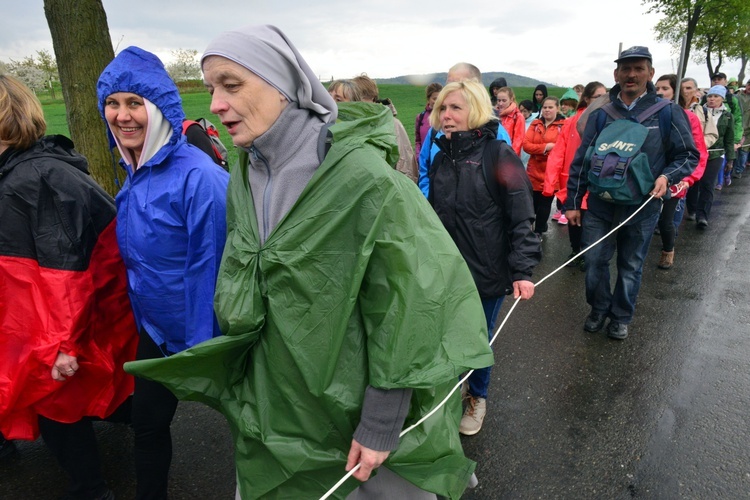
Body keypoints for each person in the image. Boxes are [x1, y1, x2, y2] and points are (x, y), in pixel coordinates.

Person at [125, 25, 495, 499]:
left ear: (284, 86)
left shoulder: (363, 179)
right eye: (212, 87)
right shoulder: (242, 171)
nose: (215, 103)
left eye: (231, 84)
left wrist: (381, 423)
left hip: (355, 417)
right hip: (277, 408)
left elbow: (409, 305)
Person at [96, 46, 230, 499]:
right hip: (155, 327)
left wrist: (201, 353)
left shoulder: (199, 179)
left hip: (207, 334)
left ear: (159, 110)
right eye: (113, 104)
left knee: (249, 424)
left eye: (135, 103)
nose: (122, 115)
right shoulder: (134, 169)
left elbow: (211, 269)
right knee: (148, 424)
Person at [0, 74, 138, 500]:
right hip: (52, 315)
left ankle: (92, 490)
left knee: (57, 402)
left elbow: (66, 272)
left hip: (65, 319)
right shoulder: (28, 169)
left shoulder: (32, 180)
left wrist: (61, 345)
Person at [428, 79, 540, 436]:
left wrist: (522, 269)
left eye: (455, 108)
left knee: (478, 338)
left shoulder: (498, 154)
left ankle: (477, 396)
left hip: (487, 270)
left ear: (474, 110)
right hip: (448, 271)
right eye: (442, 108)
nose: (446, 115)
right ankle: (453, 388)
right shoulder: (440, 156)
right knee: (447, 334)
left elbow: (522, 212)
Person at [565, 46, 698, 340]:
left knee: (631, 264)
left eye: (638, 68)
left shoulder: (668, 113)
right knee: (595, 261)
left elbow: (689, 155)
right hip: (600, 204)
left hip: (642, 206)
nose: (631, 74)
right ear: (616, 74)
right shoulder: (601, 114)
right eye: (625, 69)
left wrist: (667, 176)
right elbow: (582, 159)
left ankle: (621, 315)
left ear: (650, 73)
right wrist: (572, 203)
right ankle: (599, 309)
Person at [417, 62, 511, 198]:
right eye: (448, 84)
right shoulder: (437, 131)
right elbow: (425, 168)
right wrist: (429, 198)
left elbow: (507, 188)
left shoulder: (496, 134)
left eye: (459, 83)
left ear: (476, 89)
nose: (452, 90)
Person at [543, 81, 607, 264]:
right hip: (574, 179)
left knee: (592, 220)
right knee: (574, 217)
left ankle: (588, 254)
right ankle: (576, 251)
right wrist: (550, 185)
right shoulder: (571, 123)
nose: (603, 101)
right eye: (598, 97)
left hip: (599, 179)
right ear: (587, 99)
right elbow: (558, 154)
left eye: (605, 96)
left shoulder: (611, 120)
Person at [654, 74, 707, 269]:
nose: (660, 92)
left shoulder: (689, 118)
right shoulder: (648, 115)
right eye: (657, 88)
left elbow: (697, 152)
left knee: (666, 221)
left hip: (675, 178)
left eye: (665, 88)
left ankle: (668, 250)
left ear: (675, 91)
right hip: (649, 175)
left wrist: (688, 178)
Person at [351, 74, 418, 183]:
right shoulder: (349, 125)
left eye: (363, 97)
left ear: (373, 98)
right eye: (355, 98)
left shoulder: (392, 124)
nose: (359, 103)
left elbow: (406, 166)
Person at [685, 85, 735, 229]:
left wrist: (730, 159)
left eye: (716, 96)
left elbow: (729, 139)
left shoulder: (727, 116)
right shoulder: (698, 110)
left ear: (722, 99)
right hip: (697, 153)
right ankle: (693, 210)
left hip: (716, 154)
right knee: (694, 183)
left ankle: (703, 216)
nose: (712, 99)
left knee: (708, 184)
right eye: (710, 96)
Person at [523, 96, 565, 238]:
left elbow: (561, 148)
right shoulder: (535, 124)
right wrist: (546, 147)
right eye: (545, 107)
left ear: (557, 108)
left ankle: (539, 230)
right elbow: (526, 145)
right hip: (534, 171)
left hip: (551, 172)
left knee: (545, 204)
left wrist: (539, 150)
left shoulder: (563, 126)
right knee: (531, 203)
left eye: (550, 107)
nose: (547, 110)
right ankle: (532, 227)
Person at [495, 86, 526, 155]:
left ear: (511, 99)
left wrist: (510, 157)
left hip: (508, 155)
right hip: (494, 154)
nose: (500, 103)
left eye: (504, 100)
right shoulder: (493, 115)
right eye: (498, 100)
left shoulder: (518, 117)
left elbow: (518, 142)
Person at [415, 82, 442, 154]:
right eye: (434, 98)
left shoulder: (446, 116)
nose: (437, 101)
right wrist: (418, 157)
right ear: (428, 99)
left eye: (440, 98)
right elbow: (418, 141)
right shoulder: (420, 117)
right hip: (425, 161)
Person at [732, 80, 750, 179]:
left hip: (748, 129)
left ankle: (739, 170)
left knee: (744, 150)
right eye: (749, 84)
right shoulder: (737, 96)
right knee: (735, 149)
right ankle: (731, 169)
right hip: (738, 126)